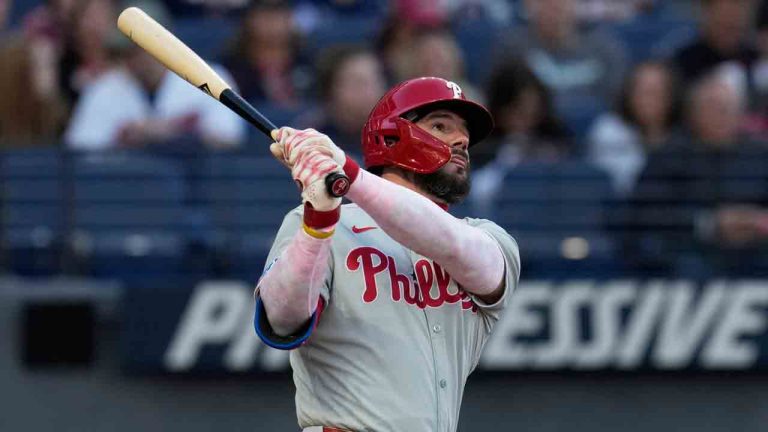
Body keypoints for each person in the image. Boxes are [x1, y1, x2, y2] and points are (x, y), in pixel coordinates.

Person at [253, 77, 520, 431]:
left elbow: (454, 245)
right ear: (392, 136)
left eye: (465, 135)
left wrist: (348, 174)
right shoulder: (321, 223)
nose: (462, 141)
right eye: (441, 125)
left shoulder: (485, 237)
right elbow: (283, 319)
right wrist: (318, 223)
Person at [628, 72, 768, 277]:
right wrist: (709, 223)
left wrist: (758, 221)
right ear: (694, 114)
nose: (722, 115)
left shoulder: (760, 154)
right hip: (690, 250)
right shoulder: (669, 155)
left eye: (728, 109)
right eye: (713, 108)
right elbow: (645, 213)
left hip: (756, 247)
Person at [64, 1, 244, 151]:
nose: (131, 59)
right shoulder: (104, 88)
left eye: (137, 49)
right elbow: (80, 153)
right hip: (129, 188)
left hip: (199, 188)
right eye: (125, 52)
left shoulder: (211, 76)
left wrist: (172, 133)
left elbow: (230, 139)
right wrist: (126, 137)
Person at [498, 0, 628, 109]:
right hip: (532, 129)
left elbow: (616, 97)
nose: (554, 11)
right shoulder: (512, 48)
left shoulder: (605, 48)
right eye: (547, 4)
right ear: (530, 7)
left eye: (560, 4)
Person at [587, 61, 682, 196]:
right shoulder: (608, 129)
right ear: (628, 93)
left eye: (655, 91)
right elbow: (622, 186)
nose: (647, 99)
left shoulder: (684, 133)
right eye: (641, 90)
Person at [295, 45, 386, 157]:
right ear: (331, 89)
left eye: (376, 80)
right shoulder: (311, 139)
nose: (371, 91)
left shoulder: (396, 134)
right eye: (358, 83)